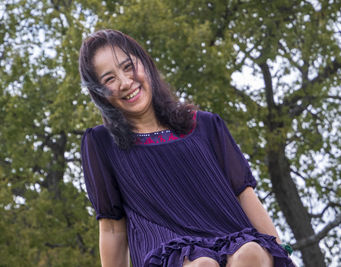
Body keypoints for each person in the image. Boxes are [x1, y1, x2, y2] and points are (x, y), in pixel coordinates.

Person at [79, 29, 295, 267]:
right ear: (99, 93)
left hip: (233, 238)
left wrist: (281, 253)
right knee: (202, 265)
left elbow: (244, 194)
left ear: (146, 64)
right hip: (166, 252)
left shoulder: (205, 125)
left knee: (250, 253)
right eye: (109, 79)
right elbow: (111, 228)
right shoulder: (101, 143)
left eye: (128, 66)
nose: (125, 82)